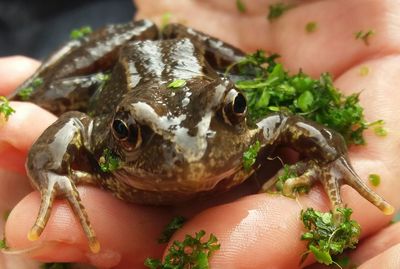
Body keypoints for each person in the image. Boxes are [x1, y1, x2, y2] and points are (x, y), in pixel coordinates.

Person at [1, 0, 400, 268]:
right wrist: (53, 174)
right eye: (129, 131)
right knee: (42, 99)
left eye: (234, 110)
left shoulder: (250, 133)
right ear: (116, 131)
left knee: (245, 82)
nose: (189, 153)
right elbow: (73, 122)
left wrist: (330, 159)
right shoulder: (96, 135)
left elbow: (287, 120)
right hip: (120, 67)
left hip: (189, 57)